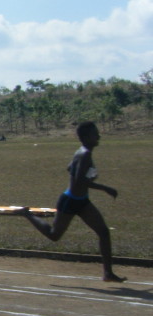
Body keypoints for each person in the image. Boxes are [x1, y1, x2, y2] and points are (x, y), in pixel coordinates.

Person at [17, 121, 125, 282]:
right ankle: (27, 214)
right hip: (70, 201)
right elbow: (79, 180)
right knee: (54, 235)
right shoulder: (85, 154)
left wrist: (87, 176)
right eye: (95, 133)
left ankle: (108, 273)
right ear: (87, 137)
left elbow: (70, 169)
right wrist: (105, 188)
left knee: (104, 232)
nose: (99, 136)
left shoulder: (82, 151)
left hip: (82, 201)